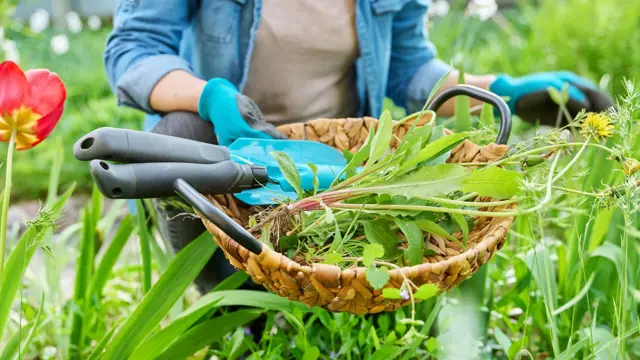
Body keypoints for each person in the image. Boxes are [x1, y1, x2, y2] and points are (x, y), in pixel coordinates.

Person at [104, 0, 612, 294]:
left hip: (335, 164)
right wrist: (211, 96)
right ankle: (235, 320)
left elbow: (410, 70)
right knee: (176, 135)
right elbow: (133, 48)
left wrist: (504, 90)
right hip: (232, 147)